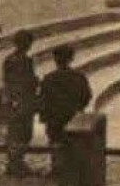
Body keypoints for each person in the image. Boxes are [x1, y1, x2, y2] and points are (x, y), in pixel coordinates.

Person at [38, 44, 93, 177]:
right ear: (72, 58)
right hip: (72, 116)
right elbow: (87, 96)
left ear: (55, 59)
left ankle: (56, 168)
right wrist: (79, 108)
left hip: (55, 118)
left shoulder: (49, 78)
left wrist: (44, 117)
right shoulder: (79, 77)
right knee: (72, 144)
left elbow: (43, 99)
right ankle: (73, 169)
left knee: (55, 142)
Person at [1, 29, 39, 176]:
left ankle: (14, 162)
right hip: (24, 100)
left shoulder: (9, 59)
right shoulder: (26, 61)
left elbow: (8, 80)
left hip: (13, 100)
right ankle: (17, 162)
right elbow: (29, 81)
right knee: (23, 132)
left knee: (14, 132)